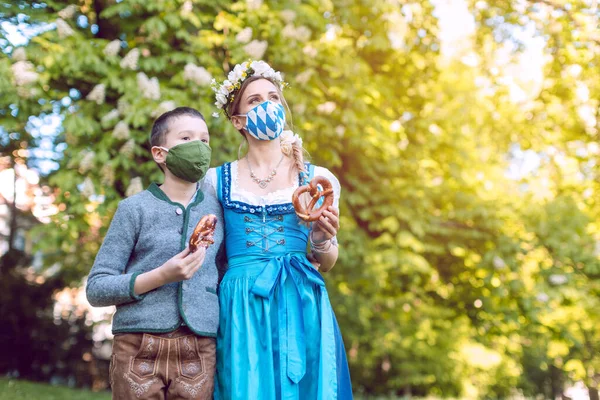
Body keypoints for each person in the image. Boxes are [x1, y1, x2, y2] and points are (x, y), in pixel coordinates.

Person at [205, 60, 353, 399]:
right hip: (240, 304)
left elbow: (327, 261)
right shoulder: (215, 181)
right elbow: (209, 256)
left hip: (300, 297)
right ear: (237, 120)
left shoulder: (319, 179)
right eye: (255, 101)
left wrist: (320, 238)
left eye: (273, 97)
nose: (267, 105)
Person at [86, 107, 224, 400]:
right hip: (138, 344)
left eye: (204, 140)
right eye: (186, 138)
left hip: (199, 346)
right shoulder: (133, 209)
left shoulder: (220, 211)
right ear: (160, 153)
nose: (198, 147)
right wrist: (160, 276)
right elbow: (97, 288)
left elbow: (224, 274)